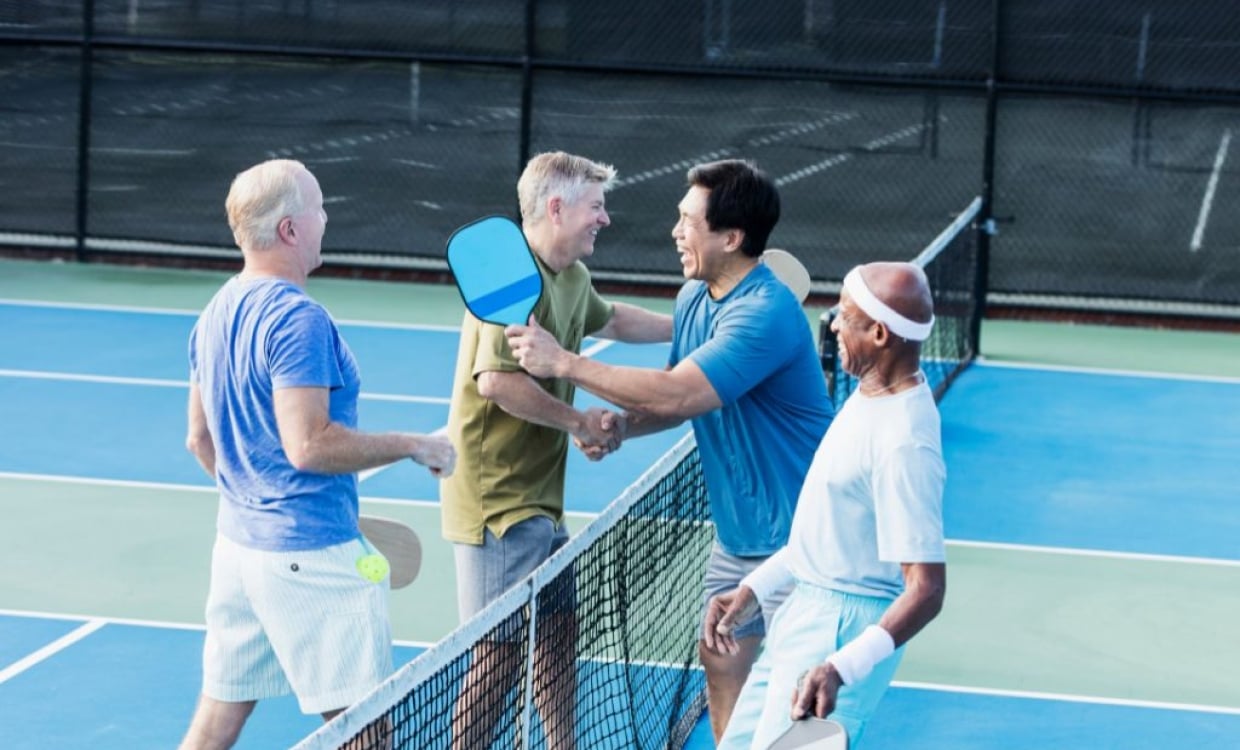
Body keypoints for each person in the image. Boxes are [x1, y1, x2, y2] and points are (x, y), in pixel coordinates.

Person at [505, 158, 834, 743]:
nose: (675, 232)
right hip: (737, 539)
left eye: (688, 222)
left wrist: (563, 363)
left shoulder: (766, 312)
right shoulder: (692, 299)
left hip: (801, 544)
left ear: (731, 238)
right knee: (722, 663)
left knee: (799, 700)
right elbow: (669, 395)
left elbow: (682, 392)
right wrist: (615, 430)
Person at [179, 159, 456, 750]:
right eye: (319, 206)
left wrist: (256, 502)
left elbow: (199, 440)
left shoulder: (214, 312)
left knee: (214, 724)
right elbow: (309, 445)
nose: (327, 218)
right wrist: (413, 443)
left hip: (237, 550)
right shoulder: (297, 319)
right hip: (309, 556)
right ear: (289, 230)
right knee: (363, 734)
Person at [441, 151, 673, 750]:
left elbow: (614, 320)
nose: (605, 219)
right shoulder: (508, 277)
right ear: (556, 208)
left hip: (542, 495)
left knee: (559, 628)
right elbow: (495, 381)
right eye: (596, 207)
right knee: (498, 654)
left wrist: (690, 323)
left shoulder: (570, 275)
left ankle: (562, 743)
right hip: (499, 500)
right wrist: (578, 421)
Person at [703, 261, 948, 749]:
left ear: (879, 333)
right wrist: (754, 587)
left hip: (841, 632)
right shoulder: (867, 395)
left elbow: (927, 591)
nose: (832, 324)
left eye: (845, 316)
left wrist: (842, 666)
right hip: (804, 608)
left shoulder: (904, 443)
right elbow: (827, 536)